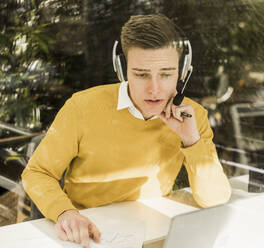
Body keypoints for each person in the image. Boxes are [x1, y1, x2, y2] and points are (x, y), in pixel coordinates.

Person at [21, 14, 231, 247]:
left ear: (182, 73)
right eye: (141, 74)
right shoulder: (82, 107)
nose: (154, 89)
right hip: (90, 235)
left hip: (154, 233)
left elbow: (215, 199)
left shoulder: (192, 116)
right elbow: (37, 173)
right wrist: (64, 213)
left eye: (166, 74)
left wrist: (191, 139)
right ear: (122, 70)